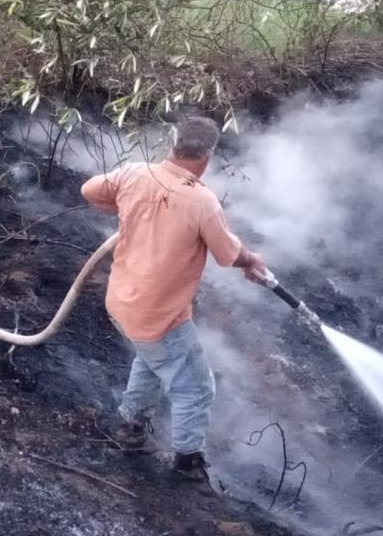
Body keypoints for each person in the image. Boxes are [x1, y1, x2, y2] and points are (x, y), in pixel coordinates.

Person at [80, 116, 267, 481]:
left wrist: (127, 207)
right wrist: (253, 260)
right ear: (208, 157)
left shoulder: (135, 173)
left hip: (122, 302)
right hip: (158, 316)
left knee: (151, 361)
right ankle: (187, 465)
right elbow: (228, 254)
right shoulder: (201, 202)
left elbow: (90, 190)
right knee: (196, 389)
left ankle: (129, 427)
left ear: (173, 145)